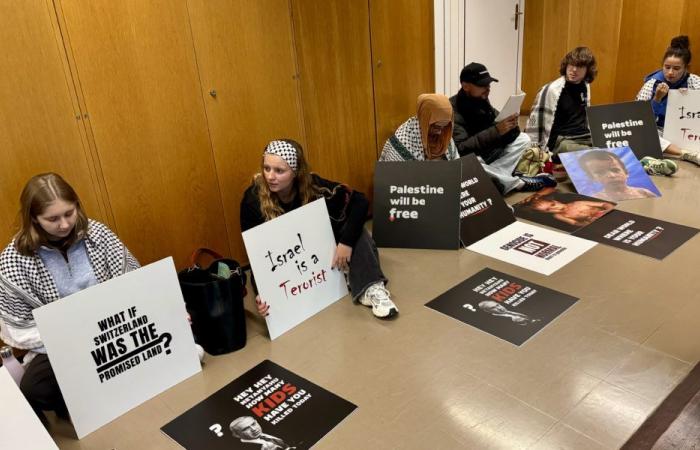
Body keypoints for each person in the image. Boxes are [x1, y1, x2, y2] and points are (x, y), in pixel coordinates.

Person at [0, 173, 140, 423]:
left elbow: (133, 280)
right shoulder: (14, 259)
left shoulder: (97, 233)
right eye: (52, 219)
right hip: (59, 344)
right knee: (35, 389)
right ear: (33, 218)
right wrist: (74, 338)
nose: (64, 224)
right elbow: (19, 329)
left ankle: (98, 389)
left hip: (115, 328)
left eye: (69, 213)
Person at [240, 139, 398, 319]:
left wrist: (345, 243)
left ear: (296, 172)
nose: (270, 176)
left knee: (357, 232)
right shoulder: (252, 201)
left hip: (323, 250)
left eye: (279, 171)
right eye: (266, 168)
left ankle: (371, 287)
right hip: (288, 264)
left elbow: (360, 202)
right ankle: (347, 275)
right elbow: (256, 255)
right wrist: (262, 293)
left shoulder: (314, 185)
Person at [450, 62, 556, 193]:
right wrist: (497, 131)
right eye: (482, 85)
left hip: (491, 154)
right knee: (467, 165)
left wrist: (511, 125)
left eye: (488, 84)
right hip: (476, 157)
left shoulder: (483, 100)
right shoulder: (453, 110)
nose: (488, 88)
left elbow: (505, 130)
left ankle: (497, 179)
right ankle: (517, 183)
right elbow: (461, 149)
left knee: (524, 139)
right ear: (465, 86)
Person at [636, 35, 700, 169]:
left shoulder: (694, 82)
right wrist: (657, 99)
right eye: (667, 67)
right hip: (660, 132)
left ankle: (655, 160)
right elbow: (638, 119)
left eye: (677, 68)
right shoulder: (652, 83)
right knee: (642, 134)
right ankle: (686, 154)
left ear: (686, 68)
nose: (670, 72)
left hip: (686, 132)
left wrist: (690, 98)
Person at [526, 47, 597, 165]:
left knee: (612, 146)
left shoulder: (585, 86)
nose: (574, 70)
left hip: (584, 136)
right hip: (562, 141)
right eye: (571, 65)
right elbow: (535, 123)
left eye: (579, 67)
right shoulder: (551, 90)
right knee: (593, 154)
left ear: (587, 70)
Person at [380, 93, 459, 161]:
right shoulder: (403, 142)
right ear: (424, 120)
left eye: (444, 127)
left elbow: (457, 166)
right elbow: (394, 176)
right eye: (436, 126)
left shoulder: (445, 135)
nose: (439, 132)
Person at [578, 150, 657, 202]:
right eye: (600, 172)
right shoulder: (595, 200)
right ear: (592, 178)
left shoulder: (643, 193)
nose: (611, 175)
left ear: (626, 173)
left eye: (615, 170)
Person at [517, 187, 614, 227]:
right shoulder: (558, 216)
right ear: (545, 213)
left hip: (606, 214)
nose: (555, 209)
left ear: (555, 201)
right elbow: (575, 223)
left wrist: (608, 210)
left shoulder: (577, 203)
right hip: (593, 223)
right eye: (548, 210)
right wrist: (587, 223)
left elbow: (603, 204)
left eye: (552, 205)